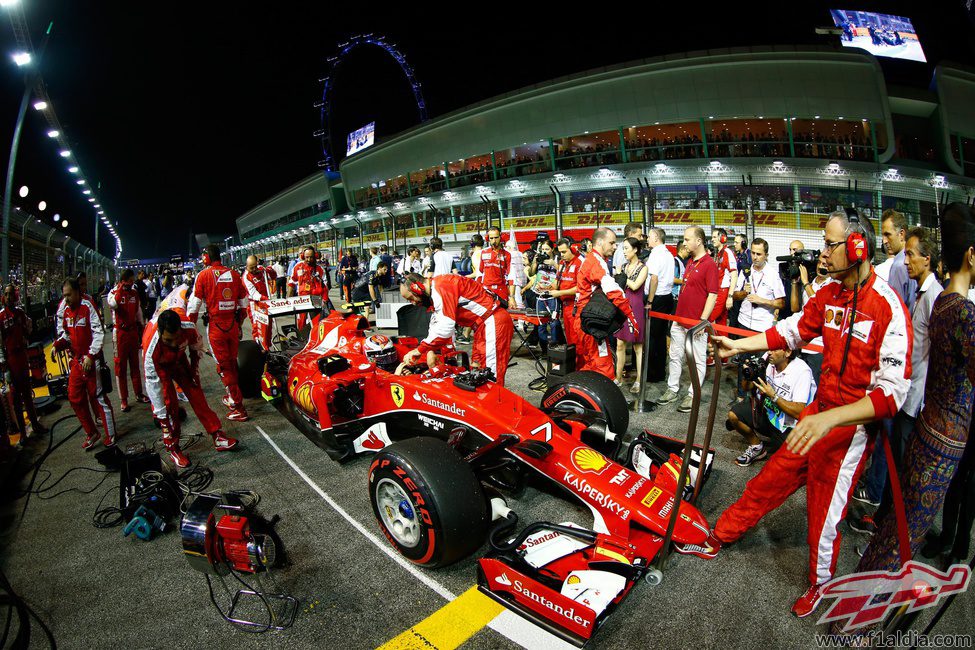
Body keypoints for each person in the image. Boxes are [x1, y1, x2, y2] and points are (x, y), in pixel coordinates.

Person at [699, 209, 913, 619]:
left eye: (832, 244)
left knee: (824, 517)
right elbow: (791, 330)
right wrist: (736, 346)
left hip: (847, 430)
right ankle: (720, 535)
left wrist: (828, 419)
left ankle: (819, 585)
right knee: (768, 480)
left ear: (857, 247)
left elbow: (892, 397)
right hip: (817, 415)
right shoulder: (829, 293)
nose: (824, 253)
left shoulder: (888, 306)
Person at [843, 205, 974, 633]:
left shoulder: (944, 303)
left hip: (931, 428)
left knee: (902, 530)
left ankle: (857, 610)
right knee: (906, 533)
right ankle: (859, 623)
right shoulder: (962, 313)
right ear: (970, 256)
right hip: (943, 440)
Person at [861, 227, 944, 530]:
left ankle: (889, 533)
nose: (905, 260)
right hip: (906, 395)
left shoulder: (934, 297)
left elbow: (935, 356)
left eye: (910, 254)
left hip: (914, 402)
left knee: (901, 468)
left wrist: (924, 403)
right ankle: (883, 524)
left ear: (927, 258)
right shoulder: (921, 293)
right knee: (894, 460)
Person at [143, 308, 238, 467]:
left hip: (180, 362)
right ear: (160, 332)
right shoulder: (150, 346)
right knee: (169, 407)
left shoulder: (188, 327)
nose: (174, 344)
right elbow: (152, 385)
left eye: (176, 339)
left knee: (197, 395)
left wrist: (194, 372)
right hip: (161, 369)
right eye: (168, 340)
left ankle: (217, 435)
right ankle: (173, 447)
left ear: (181, 329)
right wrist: (162, 416)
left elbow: (195, 350)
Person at [400, 272, 514, 386]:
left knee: (490, 378)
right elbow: (437, 324)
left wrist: (419, 350)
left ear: (417, 288)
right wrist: (428, 350)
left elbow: (445, 328)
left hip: (492, 322)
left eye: (411, 298)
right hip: (483, 326)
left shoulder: (441, 287)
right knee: (479, 373)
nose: (413, 303)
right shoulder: (438, 287)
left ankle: (493, 403)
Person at [657, 227, 719, 413]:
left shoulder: (709, 264)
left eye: (687, 239)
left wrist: (702, 321)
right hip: (679, 320)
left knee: (698, 360)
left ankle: (694, 394)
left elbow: (713, 294)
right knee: (675, 356)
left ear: (698, 240)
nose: (684, 243)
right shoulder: (691, 262)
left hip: (696, 324)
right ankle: (672, 389)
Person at [187, 245, 250, 422]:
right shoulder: (235, 274)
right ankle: (232, 397)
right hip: (233, 325)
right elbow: (243, 302)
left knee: (223, 366)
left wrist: (191, 329)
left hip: (216, 327)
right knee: (231, 362)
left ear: (207, 257)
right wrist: (238, 322)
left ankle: (239, 408)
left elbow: (193, 306)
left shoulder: (203, 275)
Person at [52, 278, 117, 450]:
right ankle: (92, 432)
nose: (66, 299)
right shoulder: (65, 310)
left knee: (100, 398)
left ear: (77, 293)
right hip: (76, 362)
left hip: (91, 361)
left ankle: (110, 434)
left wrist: (91, 355)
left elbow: (98, 332)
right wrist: (58, 345)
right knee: (74, 397)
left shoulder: (88, 307)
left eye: (69, 295)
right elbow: (66, 335)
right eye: (64, 295)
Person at [571, 227, 639, 380]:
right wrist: (631, 317)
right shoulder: (595, 262)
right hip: (590, 322)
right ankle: (604, 402)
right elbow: (612, 290)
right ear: (600, 242)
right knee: (603, 365)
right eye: (612, 243)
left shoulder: (593, 260)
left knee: (591, 363)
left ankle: (585, 397)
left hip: (585, 319)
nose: (615, 247)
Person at [729, 349, 816, 467]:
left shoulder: (802, 371)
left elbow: (799, 412)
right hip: (766, 412)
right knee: (734, 415)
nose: (769, 352)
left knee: (793, 466)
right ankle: (757, 447)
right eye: (769, 348)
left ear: (788, 352)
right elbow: (746, 388)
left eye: (774, 350)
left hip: (789, 425)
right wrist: (748, 374)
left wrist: (774, 396)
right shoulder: (767, 359)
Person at [0, 284, 46, 437]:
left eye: (11, 294)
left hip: (22, 357)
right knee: (15, 397)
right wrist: (4, 366)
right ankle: (22, 434)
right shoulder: (1, 316)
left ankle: (35, 424)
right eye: (6, 294)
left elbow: (29, 329)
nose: (8, 297)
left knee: (27, 393)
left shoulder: (20, 313)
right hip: (10, 360)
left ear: (16, 296)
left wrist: (26, 329)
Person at [107, 270, 149, 412]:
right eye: (130, 280)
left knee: (135, 365)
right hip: (119, 334)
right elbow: (112, 305)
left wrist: (142, 330)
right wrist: (120, 289)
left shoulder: (134, 293)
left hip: (132, 332)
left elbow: (138, 313)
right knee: (121, 367)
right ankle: (123, 400)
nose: (132, 283)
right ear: (123, 280)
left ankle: (138, 393)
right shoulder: (113, 292)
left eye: (132, 280)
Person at [790, 241, 829, 385]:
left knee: (816, 387)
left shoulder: (831, 285)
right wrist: (795, 283)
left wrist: (805, 283)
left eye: (825, 264)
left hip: (818, 349)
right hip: (802, 344)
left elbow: (819, 307)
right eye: (819, 263)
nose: (820, 266)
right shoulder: (811, 283)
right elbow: (795, 308)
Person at [614, 238, 648, 393]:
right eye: (623, 249)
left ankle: (639, 381)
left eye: (626, 248)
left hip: (635, 307)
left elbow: (635, 285)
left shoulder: (643, 268)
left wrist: (621, 275)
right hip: (622, 305)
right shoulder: (625, 266)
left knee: (637, 347)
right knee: (619, 344)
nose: (624, 251)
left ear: (635, 249)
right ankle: (618, 377)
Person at [644, 228, 675, 383]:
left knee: (652, 337)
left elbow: (654, 279)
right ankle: (660, 372)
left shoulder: (656, 254)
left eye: (649, 236)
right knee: (661, 337)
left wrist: (649, 301)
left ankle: (652, 374)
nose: (647, 239)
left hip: (656, 299)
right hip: (666, 297)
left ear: (656, 238)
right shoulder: (669, 254)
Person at [289, 246, 331, 329]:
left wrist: (325, 300)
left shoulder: (320, 269)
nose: (308, 259)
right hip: (302, 300)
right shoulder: (297, 267)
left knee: (317, 322)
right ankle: (301, 337)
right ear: (302, 256)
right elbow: (291, 283)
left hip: (316, 299)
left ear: (315, 256)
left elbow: (325, 286)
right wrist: (289, 300)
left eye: (311, 257)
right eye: (307, 257)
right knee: (301, 321)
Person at [531, 240, 560, 354]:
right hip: (539, 296)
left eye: (547, 249)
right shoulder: (539, 259)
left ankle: (555, 348)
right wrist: (535, 261)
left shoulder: (557, 259)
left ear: (552, 249)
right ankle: (545, 350)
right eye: (543, 249)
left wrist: (554, 264)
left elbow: (564, 272)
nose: (544, 251)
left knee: (554, 323)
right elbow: (532, 272)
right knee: (541, 325)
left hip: (552, 296)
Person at [551, 238, 580, 346]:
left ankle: (580, 362)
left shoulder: (580, 263)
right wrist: (545, 287)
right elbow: (556, 282)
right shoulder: (562, 263)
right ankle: (573, 362)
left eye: (564, 252)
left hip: (576, 307)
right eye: (560, 252)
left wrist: (560, 293)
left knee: (577, 338)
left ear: (572, 249)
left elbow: (581, 288)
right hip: (565, 307)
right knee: (569, 338)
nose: (561, 254)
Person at [710, 228, 738, 329]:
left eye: (714, 237)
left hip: (722, 291)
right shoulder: (719, 253)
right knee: (721, 322)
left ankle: (705, 342)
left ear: (722, 238)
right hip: (719, 291)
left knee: (707, 318)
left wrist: (730, 296)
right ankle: (720, 344)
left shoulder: (727, 253)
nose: (712, 239)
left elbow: (734, 275)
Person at [479, 227, 511, 301]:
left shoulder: (507, 254)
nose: (494, 241)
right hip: (487, 290)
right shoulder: (484, 252)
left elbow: (510, 275)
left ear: (501, 237)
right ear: (488, 239)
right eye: (491, 238)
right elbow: (481, 270)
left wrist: (511, 296)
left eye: (496, 238)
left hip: (501, 290)